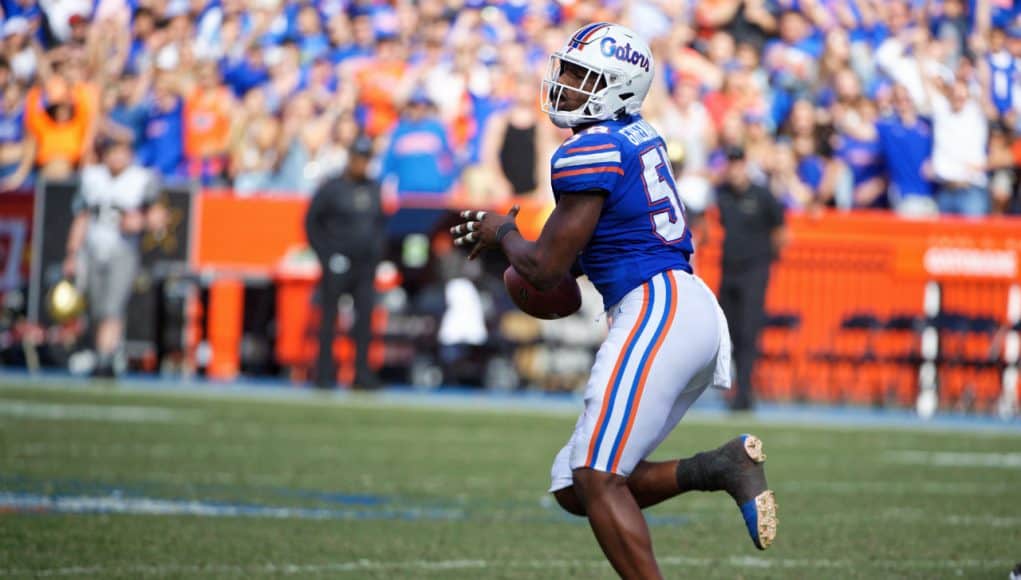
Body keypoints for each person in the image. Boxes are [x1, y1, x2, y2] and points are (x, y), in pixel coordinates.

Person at [450, 23, 777, 579]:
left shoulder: (591, 148)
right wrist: (527, 257)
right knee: (575, 486)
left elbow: (545, 266)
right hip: (679, 307)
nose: (565, 84)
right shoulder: (634, 135)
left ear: (618, 88)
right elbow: (575, 256)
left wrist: (499, 232)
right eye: (568, 71)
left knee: (597, 477)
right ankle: (720, 467)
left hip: (657, 308)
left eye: (582, 77)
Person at [63, 139, 161, 377]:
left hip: (122, 249)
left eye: (121, 152)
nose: (116, 158)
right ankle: (100, 353)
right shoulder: (92, 177)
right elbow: (82, 217)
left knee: (112, 307)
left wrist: (141, 223)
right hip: (93, 248)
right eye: (111, 153)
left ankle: (106, 359)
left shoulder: (141, 178)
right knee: (96, 308)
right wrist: (72, 253)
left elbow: (158, 218)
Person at [304, 135, 384, 390]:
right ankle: (324, 372)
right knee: (329, 319)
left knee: (364, 321)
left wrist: (376, 255)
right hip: (338, 263)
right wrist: (326, 256)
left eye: (366, 159)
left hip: (364, 266)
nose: (362, 164)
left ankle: (361, 373)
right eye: (359, 158)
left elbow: (380, 223)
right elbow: (311, 222)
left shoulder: (373, 188)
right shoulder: (333, 188)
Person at [716, 146, 787, 412]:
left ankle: (745, 391)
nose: (734, 169)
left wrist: (766, 261)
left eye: (738, 163)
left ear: (745, 165)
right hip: (729, 270)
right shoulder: (723, 193)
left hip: (754, 271)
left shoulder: (762, 195)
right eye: (730, 163)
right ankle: (737, 388)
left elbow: (780, 231)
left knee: (748, 330)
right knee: (729, 331)